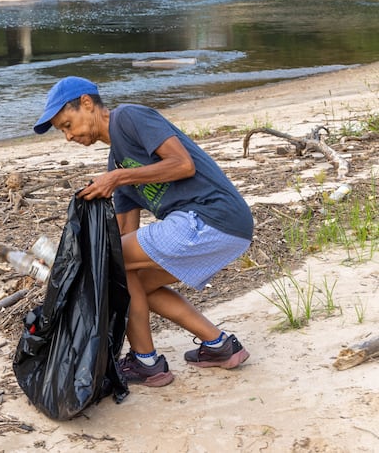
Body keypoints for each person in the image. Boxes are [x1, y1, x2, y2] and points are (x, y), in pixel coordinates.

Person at [33, 76, 254, 388]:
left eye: (67, 124)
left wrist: (119, 178)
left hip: (211, 216)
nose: (68, 136)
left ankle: (146, 362)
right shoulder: (116, 165)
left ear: (86, 103)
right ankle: (219, 346)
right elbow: (122, 240)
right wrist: (75, 256)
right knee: (131, 280)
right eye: (62, 132)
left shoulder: (129, 118)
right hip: (225, 230)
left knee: (117, 266)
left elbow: (182, 164)